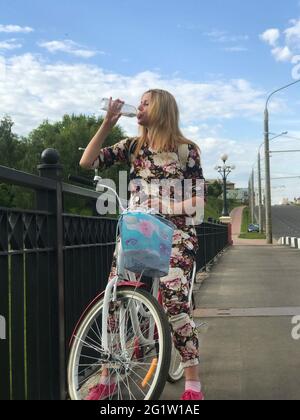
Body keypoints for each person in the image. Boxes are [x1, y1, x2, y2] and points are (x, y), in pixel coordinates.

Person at [80, 89, 205, 401]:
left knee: (175, 302)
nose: (139, 106)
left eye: (146, 102)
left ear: (161, 108)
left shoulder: (186, 149)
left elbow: (197, 201)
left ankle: (192, 383)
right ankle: (108, 376)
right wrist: (108, 122)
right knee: (114, 296)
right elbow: (87, 161)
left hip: (176, 233)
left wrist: (165, 204)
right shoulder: (133, 147)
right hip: (139, 231)